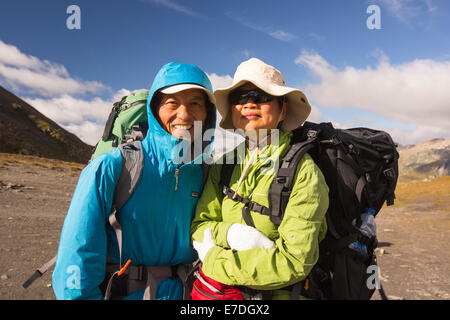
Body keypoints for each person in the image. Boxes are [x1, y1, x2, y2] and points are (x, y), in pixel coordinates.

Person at [52, 62, 216, 300]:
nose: (185, 114)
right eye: (172, 103)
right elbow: (78, 251)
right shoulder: (112, 166)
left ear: (207, 113)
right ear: (155, 109)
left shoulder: (205, 172)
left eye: (195, 103)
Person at [190, 58, 329, 300]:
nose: (249, 103)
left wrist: (214, 259)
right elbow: (200, 226)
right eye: (240, 98)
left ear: (283, 109)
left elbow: (295, 261)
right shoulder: (224, 165)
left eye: (261, 96)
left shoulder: (304, 172)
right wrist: (232, 233)